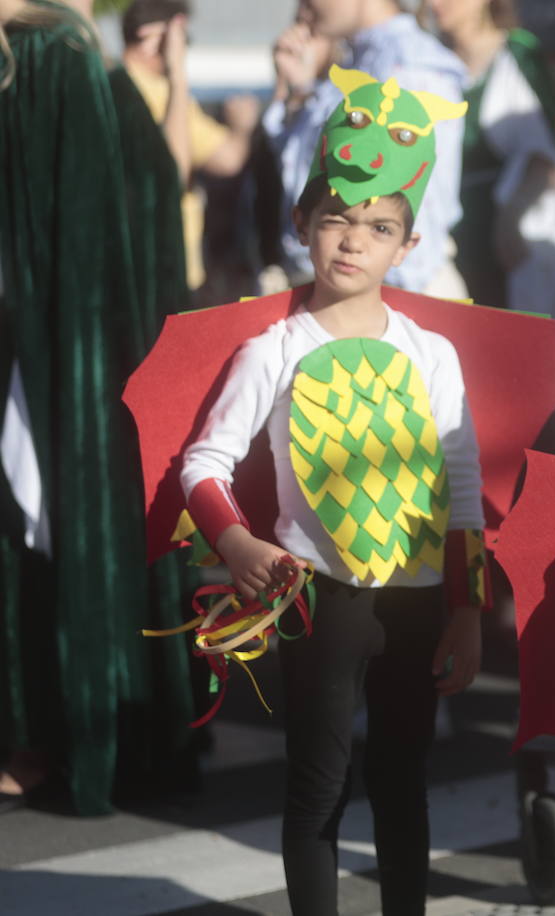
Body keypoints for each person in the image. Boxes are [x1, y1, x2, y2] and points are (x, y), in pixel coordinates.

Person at [178, 66, 481, 913]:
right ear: (302, 223)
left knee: (403, 787)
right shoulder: (271, 350)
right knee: (316, 790)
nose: (353, 240)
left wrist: (465, 609)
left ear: (405, 244)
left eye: (377, 227)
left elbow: (463, 486)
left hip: (418, 603)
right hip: (315, 597)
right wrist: (239, 545)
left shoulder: (434, 355)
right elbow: (203, 461)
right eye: (337, 219)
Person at [1, 0, 196, 815]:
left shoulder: (54, 62)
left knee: (41, 528)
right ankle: (92, 729)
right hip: (81, 368)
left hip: (58, 360)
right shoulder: (86, 72)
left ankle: (51, 735)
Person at [265, 0, 464, 296]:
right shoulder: (362, 59)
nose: (304, 6)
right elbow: (312, 172)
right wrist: (300, 90)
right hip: (351, 293)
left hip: (385, 301)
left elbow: (414, 211)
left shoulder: (407, 67)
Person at [427, 0, 555, 317]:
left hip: (505, 231)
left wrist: (511, 218)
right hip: (448, 229)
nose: (435, 3)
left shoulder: (517, 52)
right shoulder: (429, 58)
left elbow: (546, 153)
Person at [119, 0, 261, 294]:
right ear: (151, 38)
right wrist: (242, 127)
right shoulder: (163, 92)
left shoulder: (105, 86)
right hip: (168, 256)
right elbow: (228, 159)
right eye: (183, 40)